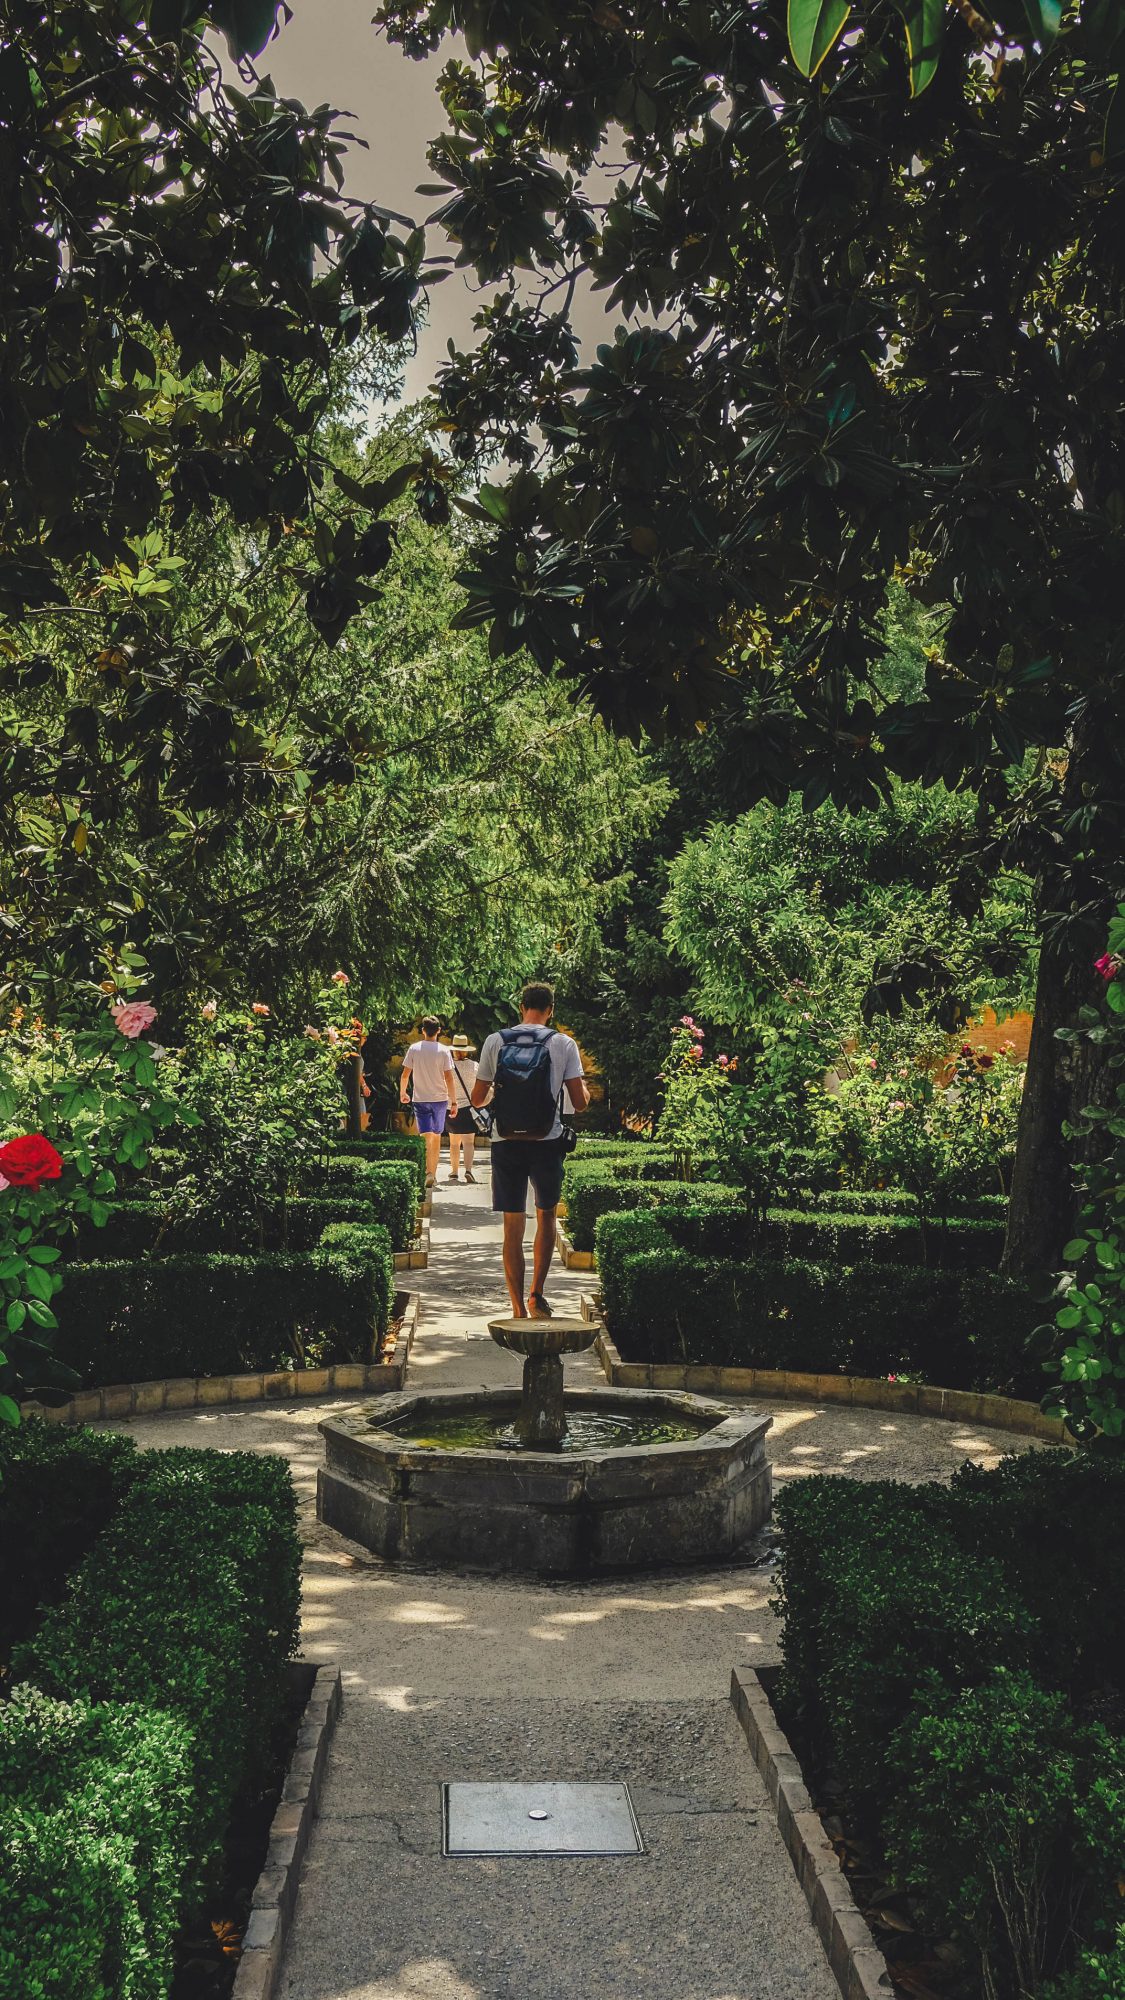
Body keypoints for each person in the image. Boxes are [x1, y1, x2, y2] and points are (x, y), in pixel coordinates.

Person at [472, 982, 589, 1319]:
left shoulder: (496, 1041)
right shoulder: (563, 1043)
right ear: (551, 1009)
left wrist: (502, 1093)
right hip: (547, 1141)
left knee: (512, 1225)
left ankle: (517, 1308)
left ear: (521, 1007)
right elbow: (578, 1102)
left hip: (506, 1141)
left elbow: (478, 1099)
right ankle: (537, 1295)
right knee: (546, 1214)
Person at [400, 1016, 458, 1189]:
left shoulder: (414, 1048)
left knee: (425, 1136)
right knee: (437, 1136)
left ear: (423, 1031)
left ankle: (426, 1172)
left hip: (420, 1098)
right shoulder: (444, 1050)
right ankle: (432, 1172)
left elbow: (405, 1075)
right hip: (440, 1099)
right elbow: (449, 1078)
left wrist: (403, 1093)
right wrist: (454, 1102)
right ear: (439, 1030)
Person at [446, 1034, 479, 1184]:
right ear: (466, 1050)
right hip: (468, 1108)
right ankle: (468, 1170)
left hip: (451, 1107)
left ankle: (453, 1172)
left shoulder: (448, 1067)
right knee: (469, 1142)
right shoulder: (474, 1066)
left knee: (454, 1143)